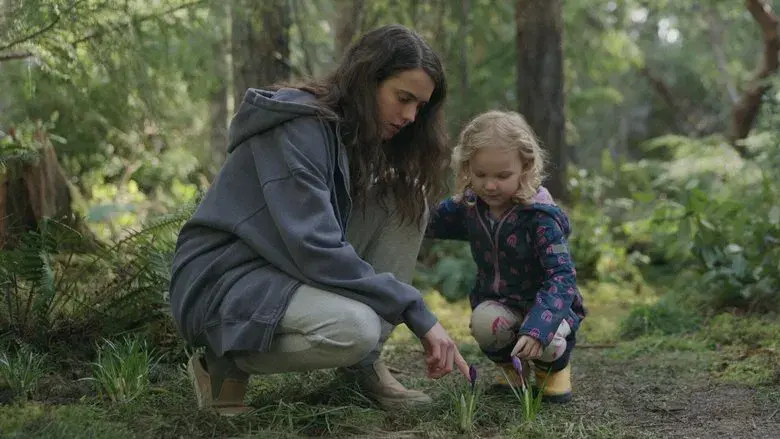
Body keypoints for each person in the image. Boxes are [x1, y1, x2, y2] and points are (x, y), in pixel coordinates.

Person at [168, 24, 470, 416]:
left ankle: (361, 368)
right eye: (403, 98)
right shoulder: (298, 126)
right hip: (226, 277)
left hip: (279, 265)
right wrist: (415, 311)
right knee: (355, 328)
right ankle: (221, 361)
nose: (412, 116)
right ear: (367, 80)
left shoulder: (349, 134)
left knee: (404, 198)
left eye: (420, 106)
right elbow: (315, 247)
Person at [424, 110, 587, 403]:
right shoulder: (472, 206)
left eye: (502, 176)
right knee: (485, 323)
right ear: (467, 168)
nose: (489, 185)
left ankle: (553, 370)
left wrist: (539, 328)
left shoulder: (539, 217)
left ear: (525, 168)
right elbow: (428, 221)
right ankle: (512, 370)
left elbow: (561, 277)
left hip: (547, 308)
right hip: (502, 305)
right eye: (480, 174)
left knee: (549, 340)